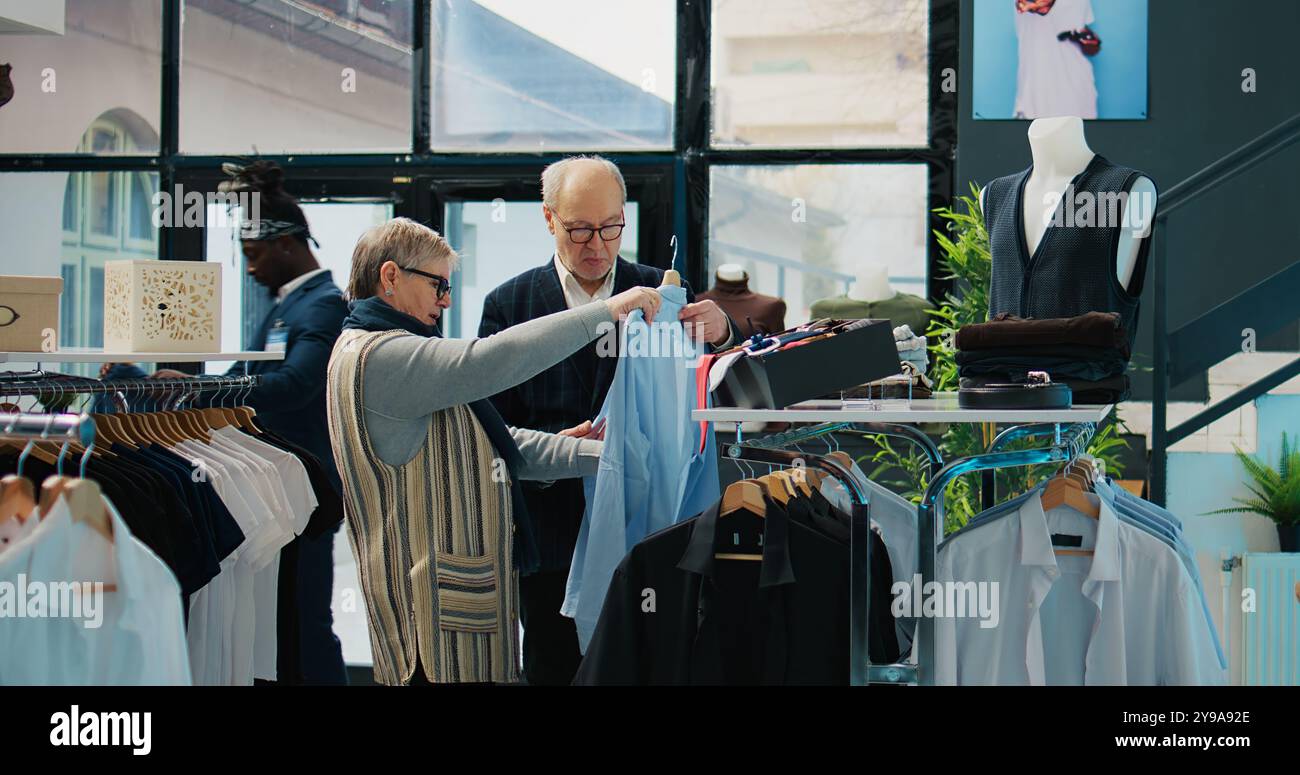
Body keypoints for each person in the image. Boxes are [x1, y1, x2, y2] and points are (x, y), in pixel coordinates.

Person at [326, 216, 663, 686]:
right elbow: (490, 360)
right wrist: (606, 311)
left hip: (444, 615)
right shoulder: (381, 356)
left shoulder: (381, 350)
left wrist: (596, 455)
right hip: (432, 629)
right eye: (438, 285)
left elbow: (493, 444)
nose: (445, 301)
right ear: (390, 277)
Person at [478, 155, 738, 685]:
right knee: (556, 667)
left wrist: (723, 331)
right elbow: (488, 427)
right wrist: (551, 450)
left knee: (652, 662)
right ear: (549, 219)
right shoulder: (510, 304)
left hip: (649, 520)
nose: (597, 245)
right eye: (578, 230)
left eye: (611, 227)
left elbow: (713, 394)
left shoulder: (661, 294)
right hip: (554, 526)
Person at [106, 161, 350, 685]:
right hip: (272, 483)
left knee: (305, 620)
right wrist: (169, 382)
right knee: (280, 623)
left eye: (253, 255)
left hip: (302, 486)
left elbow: (294, 385)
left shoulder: (323, 307)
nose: (250, 268)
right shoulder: (287, 306)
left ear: (285, 245)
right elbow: (245, 376)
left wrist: (200, 388)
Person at [1012, 0, 1098, 120]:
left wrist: (1088, 40)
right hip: (1036, 97)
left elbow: (1078, 29)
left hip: (1078, 95)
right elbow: (1039, 6)